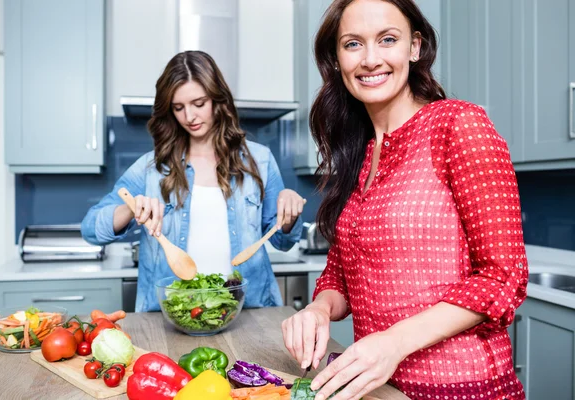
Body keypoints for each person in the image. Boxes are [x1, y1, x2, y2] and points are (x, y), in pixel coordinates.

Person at [281, 1, 527, 399]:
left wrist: (393, 343)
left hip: (465, 388)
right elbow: (341, 276)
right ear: (337, 58)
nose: (370, 59)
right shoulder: (357, 155)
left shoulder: (458, 125)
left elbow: (502, 278)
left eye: (387, 39)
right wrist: (319, 310)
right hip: (380, 390)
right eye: (353, 44)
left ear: (414, 47)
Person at [82, 50, 304, 312]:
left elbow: (283, 241)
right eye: (178, 107)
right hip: (174, 314)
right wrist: (129, 209)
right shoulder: (151, 167)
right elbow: (90, 230)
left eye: (199, 103)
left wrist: (288, 214)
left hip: (248, 311)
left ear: (217, 100)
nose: (189, 117)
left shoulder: (259, 160)